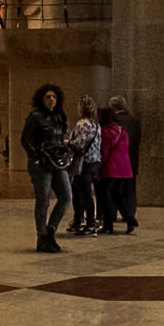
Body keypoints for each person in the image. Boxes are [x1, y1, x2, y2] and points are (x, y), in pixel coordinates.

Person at [21, 84, 72, 252]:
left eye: (54, 97)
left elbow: (63, 137)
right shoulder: (35, 117)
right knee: (43, 201)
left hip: (58, 162)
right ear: (41, 99)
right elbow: (26, 140)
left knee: (65, 197)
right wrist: (36, 157)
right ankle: (41, 236)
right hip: (42, 163)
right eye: (48, 97)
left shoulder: (60, 117)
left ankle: (50, 230)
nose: (52, 100)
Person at [65, 96, 103, 235]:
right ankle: (83, 221)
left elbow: (79, 144)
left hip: (84, 163)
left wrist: (67, 142)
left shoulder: (82, 124)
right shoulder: (96, 125)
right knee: (85, 192)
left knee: (82, 193)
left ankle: (86, 222)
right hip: (95, 162)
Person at [98, 104, 132, 233]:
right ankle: (129, 219)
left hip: (111, 169)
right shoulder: (122, 131)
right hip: (124, 169)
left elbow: (104, 152)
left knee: (106, 197)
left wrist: (100, 166)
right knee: (118, 197)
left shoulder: (106, 132)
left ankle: (108, 225)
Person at [107, 96, 139, 233]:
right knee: (130, 189)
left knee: (113, 192)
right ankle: (130, 213)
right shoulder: (134, 121)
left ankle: (112, 215)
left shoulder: (114, 122)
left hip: (115, 163)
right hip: (132, 159)